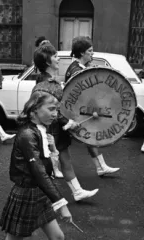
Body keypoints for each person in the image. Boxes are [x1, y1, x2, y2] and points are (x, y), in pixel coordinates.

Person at [0, 90, 72, 240]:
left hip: (40, 191)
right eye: (51, 109)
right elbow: (39, 171)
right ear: (34, 110)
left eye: (57, 110)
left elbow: (48, 167)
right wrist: (61, 204)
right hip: (27, 192)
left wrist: (53, 150)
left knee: (58, 237)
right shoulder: (27, 135)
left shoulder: (41, 130)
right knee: (13, 239)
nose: (55, 114)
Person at [33, 42, 99, 201]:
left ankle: (77, 191)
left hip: (55, 128)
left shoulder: (45, 80)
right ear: (48, 62)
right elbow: (51, 109)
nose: (58, 59)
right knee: (44, 166)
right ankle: (39, 198)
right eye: (55, 57)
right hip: (51, 129)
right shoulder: (48, 84)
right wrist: (67, 122)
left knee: (65, 160)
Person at [65, 36, 120, 176]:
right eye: (90, 50)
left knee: (89, 139)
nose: (92, 53)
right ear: (82, 53)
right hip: (78, 112)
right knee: (61, 145)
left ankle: (100, 167)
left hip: (80, 111)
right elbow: (80, 95)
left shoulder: (78, 67)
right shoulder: (77, 71)